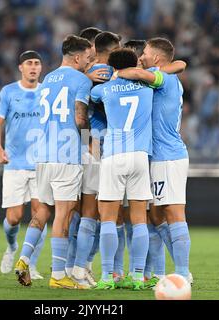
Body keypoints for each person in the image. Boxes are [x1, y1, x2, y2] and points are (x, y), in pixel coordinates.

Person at [14, 35, 92, 289]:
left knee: (42, 211)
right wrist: (92, 144)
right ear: (78, 57)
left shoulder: (47, 80)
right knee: (64, 214)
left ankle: (24, 259)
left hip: (43, 156)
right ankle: (58, 275)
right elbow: (80, 118)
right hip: (66, 156)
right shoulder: (81, 80)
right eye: (87, 59)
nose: (88, 63)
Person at [117, 38, 193, 284]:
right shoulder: (165, 74)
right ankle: (167, 272)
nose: (142, 56)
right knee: (156, 216)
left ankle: (182, 273)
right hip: (157, 156)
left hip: (168, 156)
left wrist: (117, 71)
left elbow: (145, 72)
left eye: (146, 52)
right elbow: (178, 64)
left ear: (157, 58)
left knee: (173, 212)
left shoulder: (163, 77)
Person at [91, 48, 154, 290]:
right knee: (139, 220)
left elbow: (93, 95)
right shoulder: (148, 89)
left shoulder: (104, 89)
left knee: (107, 219)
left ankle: (107, 276)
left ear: (113, 66)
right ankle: (138, 276)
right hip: (140, 156)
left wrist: (113, 77)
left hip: (114, 156)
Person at [69, 31, 121, 289]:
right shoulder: (104, 72)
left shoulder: (85, 73)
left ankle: (76, 265)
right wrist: (91, 142)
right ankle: (80, 266)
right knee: (95, 212)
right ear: (110, 52)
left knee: (83, 212)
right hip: (97, 146)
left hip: (85, 146)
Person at [0, 51, 47, 280]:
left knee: (39, 214)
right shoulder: (9, 92)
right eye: (29, 64)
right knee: (14, 217)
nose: (33, 67)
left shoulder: (47, 92)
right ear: (20, 67)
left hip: (41, 164)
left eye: (37, 63)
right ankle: (12, 247)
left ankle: (31, 264)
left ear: (41, 68)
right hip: (14, 163)